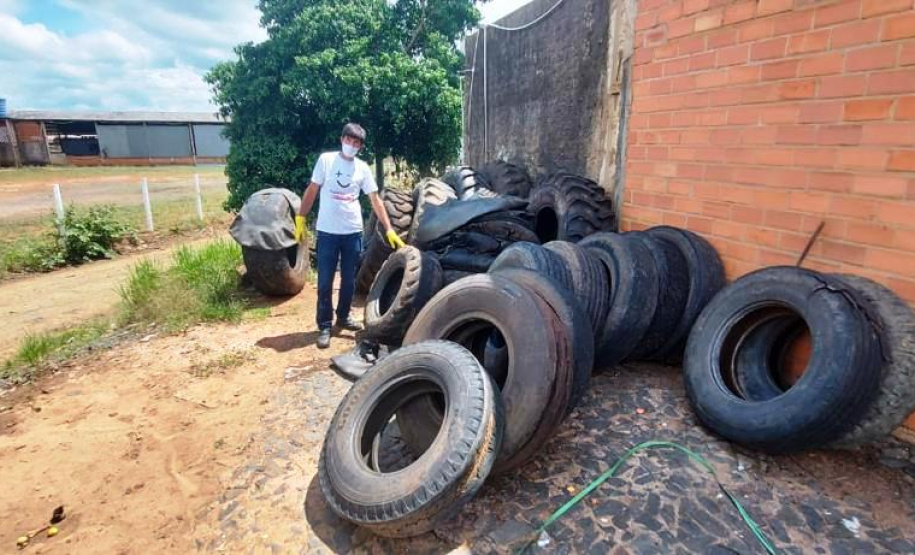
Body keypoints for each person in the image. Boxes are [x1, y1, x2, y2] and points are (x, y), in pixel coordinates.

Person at [295, 123, 405, 349]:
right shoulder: (326, 160)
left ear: (360, 146)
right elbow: (312, 190)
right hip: (327, 231)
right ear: (342, 139)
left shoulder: (362, 168)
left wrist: (390, 228)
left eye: (357, 143)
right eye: (350, 140)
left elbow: (375, 199)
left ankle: (343, 317)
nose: (352, 145)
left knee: (348, 282)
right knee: (325, 282)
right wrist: (301, 218)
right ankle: (324, 325)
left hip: (352, 232)